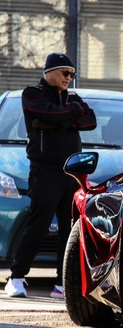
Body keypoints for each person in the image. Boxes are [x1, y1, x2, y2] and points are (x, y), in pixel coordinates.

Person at [4, 52, 97, 299]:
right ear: (50, 72)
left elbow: (90, 121)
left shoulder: (73, 97)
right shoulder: (32, 94)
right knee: (39, 224)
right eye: (65, 72)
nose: (69, 78)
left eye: (72, 74)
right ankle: (16, 277)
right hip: (45, 170)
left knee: (68, 229)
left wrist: (61, 116)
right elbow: (45, 113)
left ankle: (61, 283)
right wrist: (68, 115)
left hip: (72, 173)